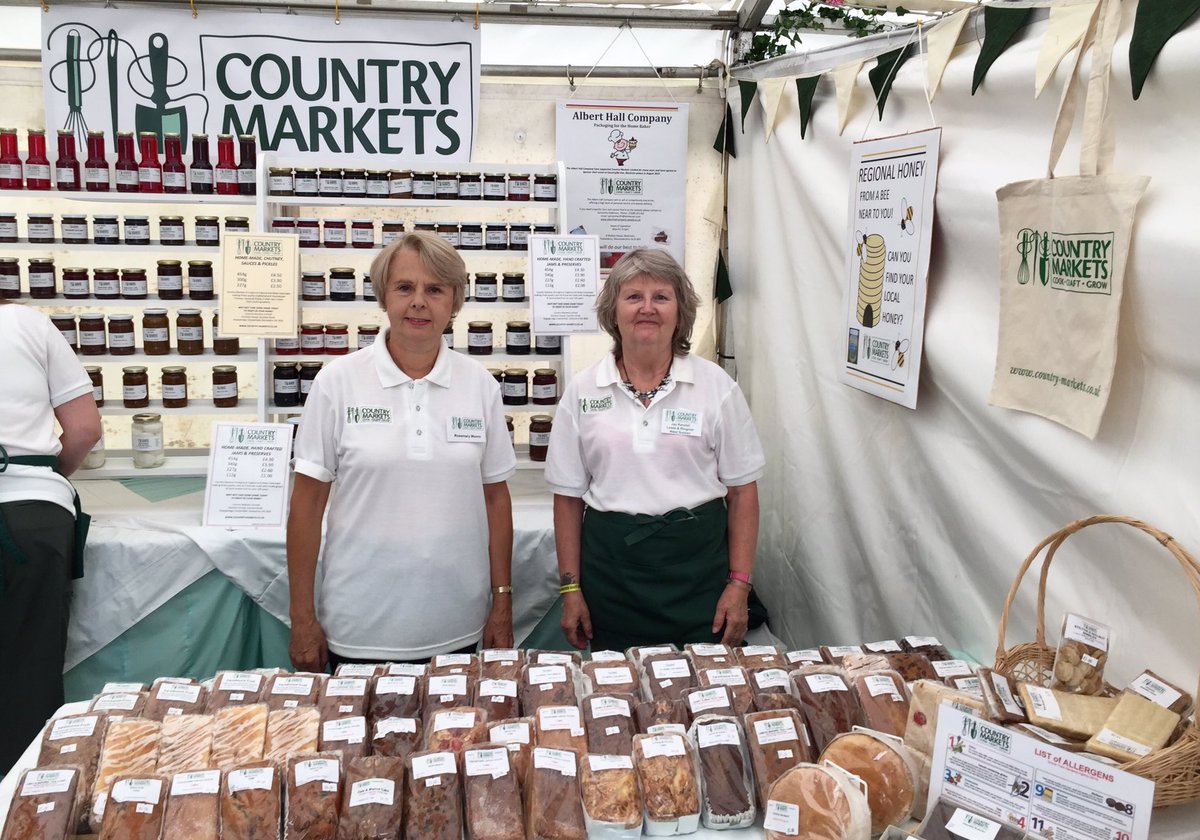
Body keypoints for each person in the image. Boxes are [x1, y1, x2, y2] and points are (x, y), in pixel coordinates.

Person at [287, 232, 517, 671]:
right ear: (383, 297)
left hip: (458, 626)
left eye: (435, 290)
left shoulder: (479, 385)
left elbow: (495, 498)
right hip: (358, 627)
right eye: (404, 287)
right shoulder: (337, 382)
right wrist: (302, 618)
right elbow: (307, 504)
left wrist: (502, 601)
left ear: (455, 302)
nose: (419, 302)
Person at [546, 248, 766, 652]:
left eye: (661, 297)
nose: (647, 308)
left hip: (698, 577)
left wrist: (739, 585)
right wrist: (571, 589)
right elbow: (567, 498)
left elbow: (742, 494)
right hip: (611, 581)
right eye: (633, 297)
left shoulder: (716, 387)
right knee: (616, 695)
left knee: (704, 694)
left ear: (680, 312)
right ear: (613, 312)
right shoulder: (583, 390)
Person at [0, 300, 102, 772]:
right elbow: (83, 429)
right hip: (33, 519)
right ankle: (27, 808)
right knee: (29, 679)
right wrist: (47, 480)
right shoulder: (26, 323)